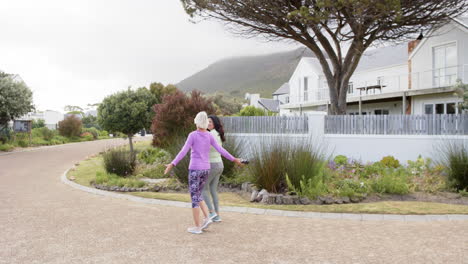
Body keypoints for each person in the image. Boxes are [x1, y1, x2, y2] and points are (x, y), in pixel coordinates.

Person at [164, 111, 242, 234]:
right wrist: (234, 159)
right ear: (205, 123)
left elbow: (183, 151)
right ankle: (207, 217)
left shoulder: (193, 135)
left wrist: (172, 164)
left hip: (195, 169)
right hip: (206, 169)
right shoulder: (209, 135)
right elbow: (221, 150)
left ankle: (197, 227)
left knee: (194, 197)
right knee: (198, 194)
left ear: (196, 122)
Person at [202, 115, 226, 223]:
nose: (208, 124)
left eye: (210, 122)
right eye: (207, 122)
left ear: (215, 123)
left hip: (212, 165)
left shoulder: (210, 134)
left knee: (203, 188)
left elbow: (205, 149)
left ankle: (211, 213)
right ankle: (217, 216)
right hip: (219, 164)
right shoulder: (218, 134)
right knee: (212, 190)